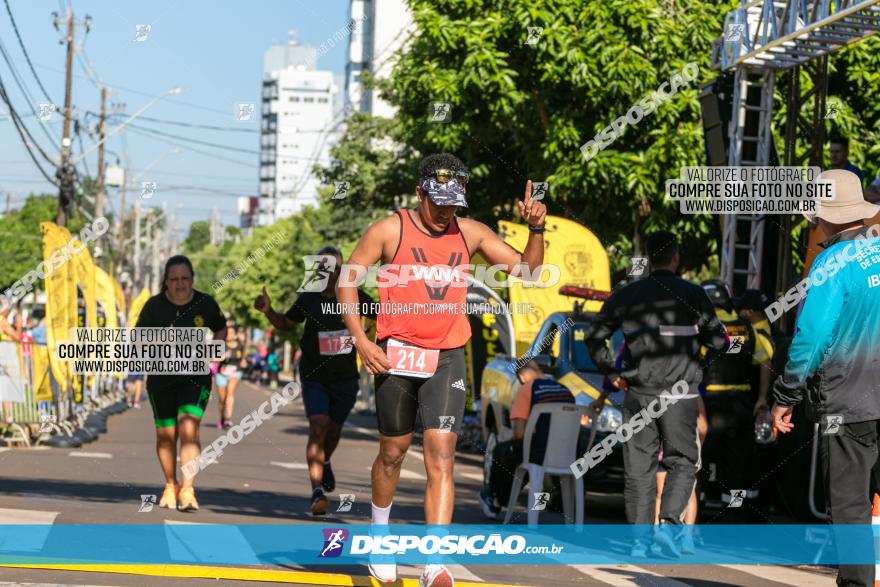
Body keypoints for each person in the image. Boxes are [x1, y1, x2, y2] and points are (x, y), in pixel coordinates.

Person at [337, 152, 547, 587]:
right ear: (420, 194)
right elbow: (347, 279)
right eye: (438, 204)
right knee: (393, 453)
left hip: (448, 355)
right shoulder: (389, 229)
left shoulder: (470, 233)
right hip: (396, 354)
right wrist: (361, 339)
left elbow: (528, 270)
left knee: (442, 457)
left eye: (453, 204)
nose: (445, 213)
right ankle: (380, 536)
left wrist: (536, 228)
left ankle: (435, 561)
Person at [584, 231, 728, 557]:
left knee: (638, 470)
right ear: (675, 258)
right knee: (684, 462)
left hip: (639, 393)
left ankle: (638, 543)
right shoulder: (694, 294)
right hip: (682, 395)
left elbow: (594, 336)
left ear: (647, 258)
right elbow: (720, 341)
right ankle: (670, 524)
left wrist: (613, 371)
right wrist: (697, 360)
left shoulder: (628, 294)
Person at [772, 169, 880, 587]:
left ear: (825, 216)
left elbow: (811, 337)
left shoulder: (832, 262)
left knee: (850, 504)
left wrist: (786, 393)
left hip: (850, 403)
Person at [254, 245, 376, 516]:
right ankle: (316, 491)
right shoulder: (309, 298)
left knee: (333, 430)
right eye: (324, 268)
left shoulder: (354, 296)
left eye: (334, 268)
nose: (329, 273)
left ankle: (327, 460)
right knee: (318, 428)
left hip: (345, 378)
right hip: (313, 376)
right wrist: (268, 310)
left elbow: (382, 315)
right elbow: (286, 323)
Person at [136, 255, 227, 512]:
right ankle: (169, 484)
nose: (180, 284)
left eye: (185, 279)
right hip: (161, 379)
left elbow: (220, 327)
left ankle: (188, 489)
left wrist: (216, 347)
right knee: (166, 436)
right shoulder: (154, 307)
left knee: (189, 427)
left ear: (192, 280)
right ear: (166, 282)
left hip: (195, 378)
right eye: (174, 279)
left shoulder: (205, 304)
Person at [697, 279, 773, 520]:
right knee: (737, 468)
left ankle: (695, 519)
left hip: (710, 406)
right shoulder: (747, 328)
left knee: (700, 463)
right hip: (741, 406)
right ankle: (733, 519)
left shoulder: (705, 329)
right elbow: (765, 360)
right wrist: (761, 399)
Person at [478, 360, 574, 520]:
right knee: (525, 452)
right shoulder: (565, 390)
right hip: (567, 455)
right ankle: (502, 498)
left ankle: (494, 499)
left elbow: (519, 434)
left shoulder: (526, 389)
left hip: (538, 454)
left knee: (503, 450)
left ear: (521, 377)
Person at [215, 324, 246, 429]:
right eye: (228, 333)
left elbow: (243, 357)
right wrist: (223, 356)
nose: (229, 335)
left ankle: (228, 418)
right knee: (222, 399)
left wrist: (243, 362)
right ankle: (221, 418)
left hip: (235, 372)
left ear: (236, 335)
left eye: (232, 333)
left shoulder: (240, 345)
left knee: (230, 392)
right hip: (222, 373)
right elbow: (213, 358)